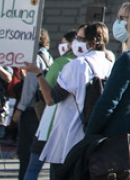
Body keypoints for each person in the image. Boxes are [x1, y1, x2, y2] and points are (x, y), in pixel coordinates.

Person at [85, 1, 130, 180]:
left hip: (115, 145)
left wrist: (89, 136)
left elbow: (107, 104)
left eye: (122, 18)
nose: (117, 23)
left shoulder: (129, 59)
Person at [31, 22, 113, 177]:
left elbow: (51, 99)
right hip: (96, 137)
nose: (75, 43)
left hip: (70, 137)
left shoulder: (77, 65)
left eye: (80, 38)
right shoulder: (109, 64)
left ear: (91, 43)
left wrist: (38, 74)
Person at [22, 29, 77, 180]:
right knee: (59, 169)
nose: (61, 46)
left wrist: (39, 74)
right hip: (73, 124)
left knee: (33, 167)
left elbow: (49, 96)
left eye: (64, 44)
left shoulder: (60, 63)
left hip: (51, 122)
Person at [14, 28, 53, 180]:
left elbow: (30, 87)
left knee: (27, 151)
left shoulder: (35, 58)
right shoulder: (47, 56)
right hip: (41, 109)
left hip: (31, 109)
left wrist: (20, 108)